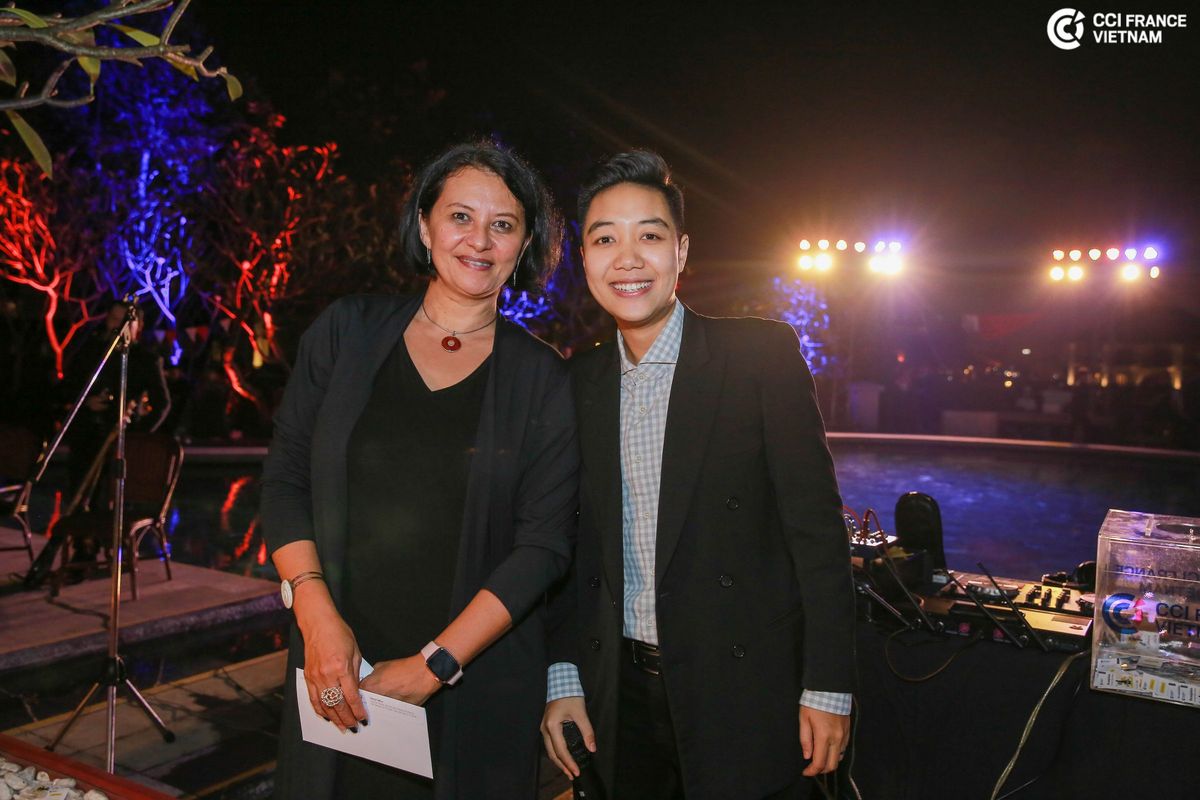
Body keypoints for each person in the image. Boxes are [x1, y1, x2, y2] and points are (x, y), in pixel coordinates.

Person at [261, 140, 578, 799]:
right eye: (460, 216)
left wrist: (436, 664)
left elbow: (544, 546)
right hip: (335, 662)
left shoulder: (542, 377)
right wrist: (316, 618)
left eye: (502, 224)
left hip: (477, 682)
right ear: (425, 225)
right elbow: (287, 479)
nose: (479, 240)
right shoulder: (346, 331)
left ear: (523, 245)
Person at [541, 151, 855, 799]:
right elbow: (571, 550)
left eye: (650, 236)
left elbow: (818, 535)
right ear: (584, 258)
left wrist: (828, 687)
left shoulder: (759, 356)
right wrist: (564, 677)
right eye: (605, 239)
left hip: (744, 690)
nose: (628, 259)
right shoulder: (577, 383)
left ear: (681, 252)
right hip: (618, 698)